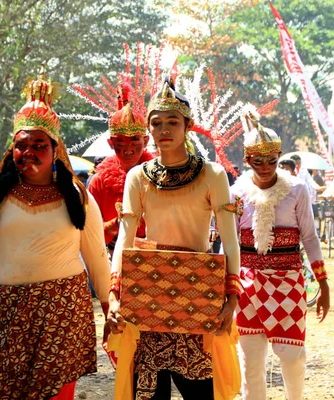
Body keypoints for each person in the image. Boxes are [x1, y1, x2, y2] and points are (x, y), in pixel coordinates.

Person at [0, 72, 111, 400]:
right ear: (12, 149)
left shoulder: (78, 196)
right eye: (21, 145)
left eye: (39, 145)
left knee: (54, 394)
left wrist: (111, 308)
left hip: (62, 310)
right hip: (4, 309)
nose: (29, 152)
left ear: (55, 149)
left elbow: (96, 256)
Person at [107, 78, 242, 400]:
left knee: (200, 389)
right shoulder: (138, 176)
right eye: (156, 123)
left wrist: (232, 295)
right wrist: (115, 292)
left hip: (198, 290)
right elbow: (125, 237)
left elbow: (229, 237)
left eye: (172, 122)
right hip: (147, 289)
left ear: (188, 126)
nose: (164, 129)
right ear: (148, 129)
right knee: (151, 392)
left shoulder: (212, 174)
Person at [230, 112, 330, 400]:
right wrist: (226, 286)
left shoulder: (297, 190)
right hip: (247, 286)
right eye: (257, 161)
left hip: (288, 282)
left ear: (280, 156)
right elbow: (230, 242)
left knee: (292, 356)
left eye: (272, 161)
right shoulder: (236, 193)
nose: (265, 168)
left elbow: (310, 238)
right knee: (250, 363)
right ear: (247, 159)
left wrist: (323, 285)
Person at [87, 82, 154, 252]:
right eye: (120, 142)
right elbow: (88, 232)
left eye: (134, 140)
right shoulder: (99, 182)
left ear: (145, 142)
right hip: (111, 256)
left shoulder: (160, 177)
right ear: (111, 143)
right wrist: (116, 224)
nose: (128, 148)